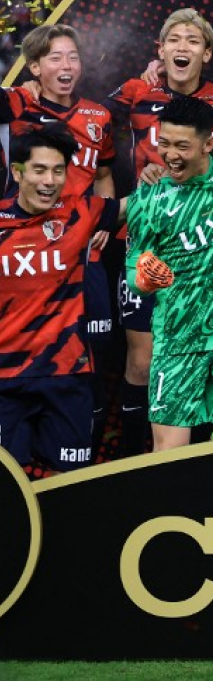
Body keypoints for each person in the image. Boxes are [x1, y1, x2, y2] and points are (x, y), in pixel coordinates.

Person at [109, 8, 213, 455]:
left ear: (207, 53)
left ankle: (187, 461)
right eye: (173, 39)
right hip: (148, 244)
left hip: (211, 257)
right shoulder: (138, 93)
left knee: (200, 361)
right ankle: (129, 462)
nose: (183, 47)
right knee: (142, 362)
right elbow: (87, 123)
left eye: (192, 40)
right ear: (160, 50)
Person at [123, 96, 213, 451]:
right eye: (164, 143)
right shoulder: (149, 197)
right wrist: (143, 279)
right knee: (168, 461)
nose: (170, 154)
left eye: (182, 146)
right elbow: (133, 274)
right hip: (178, 345)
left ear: (208, 143)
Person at [7, 24, 117, 445]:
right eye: (55, 58)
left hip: (81, 253)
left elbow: (104, 174)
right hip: (28, 254)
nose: (67, 65)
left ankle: (84, 442)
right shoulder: (18, 108)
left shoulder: (98, 115)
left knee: (93, 351)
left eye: (72, 56)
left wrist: (103, 221)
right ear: (35, 66)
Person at [0, 126, 121, 473]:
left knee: (73, 489)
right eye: (39, 170)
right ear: (17, 171)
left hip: (67, 378)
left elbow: (144, 204)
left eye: (58, 171)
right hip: (6, 381)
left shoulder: (81, 213)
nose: (49, 181)